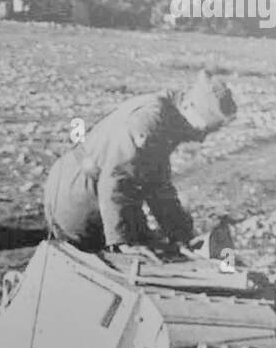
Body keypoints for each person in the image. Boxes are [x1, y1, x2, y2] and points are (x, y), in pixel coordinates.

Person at [42, 69, 237, 255]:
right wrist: (123, 242)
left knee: (154, 249)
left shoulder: (169, 118)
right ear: (189, 107)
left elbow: (157, 186)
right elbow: (116, 179)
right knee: (118, 264)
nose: (201, 138)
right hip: (77, 193)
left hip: (98, 191)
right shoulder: (151, 120)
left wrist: (182, 235)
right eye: (202, 129)